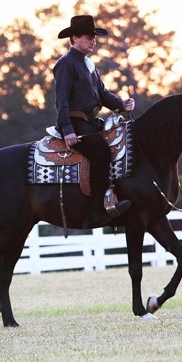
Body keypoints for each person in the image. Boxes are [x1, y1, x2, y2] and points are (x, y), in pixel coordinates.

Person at [53, 15, 135, 226]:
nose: (94, 41)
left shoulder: (88, 63)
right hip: (75, 123)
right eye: (89, 37)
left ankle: (115, 198)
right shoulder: (66, 64)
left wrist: (121, 104)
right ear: (75, 38)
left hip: (90, 123)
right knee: (101, 151)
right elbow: (61, 98)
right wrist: (67, 129)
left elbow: (102, 93)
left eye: (94, 37)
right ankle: (97, 211)